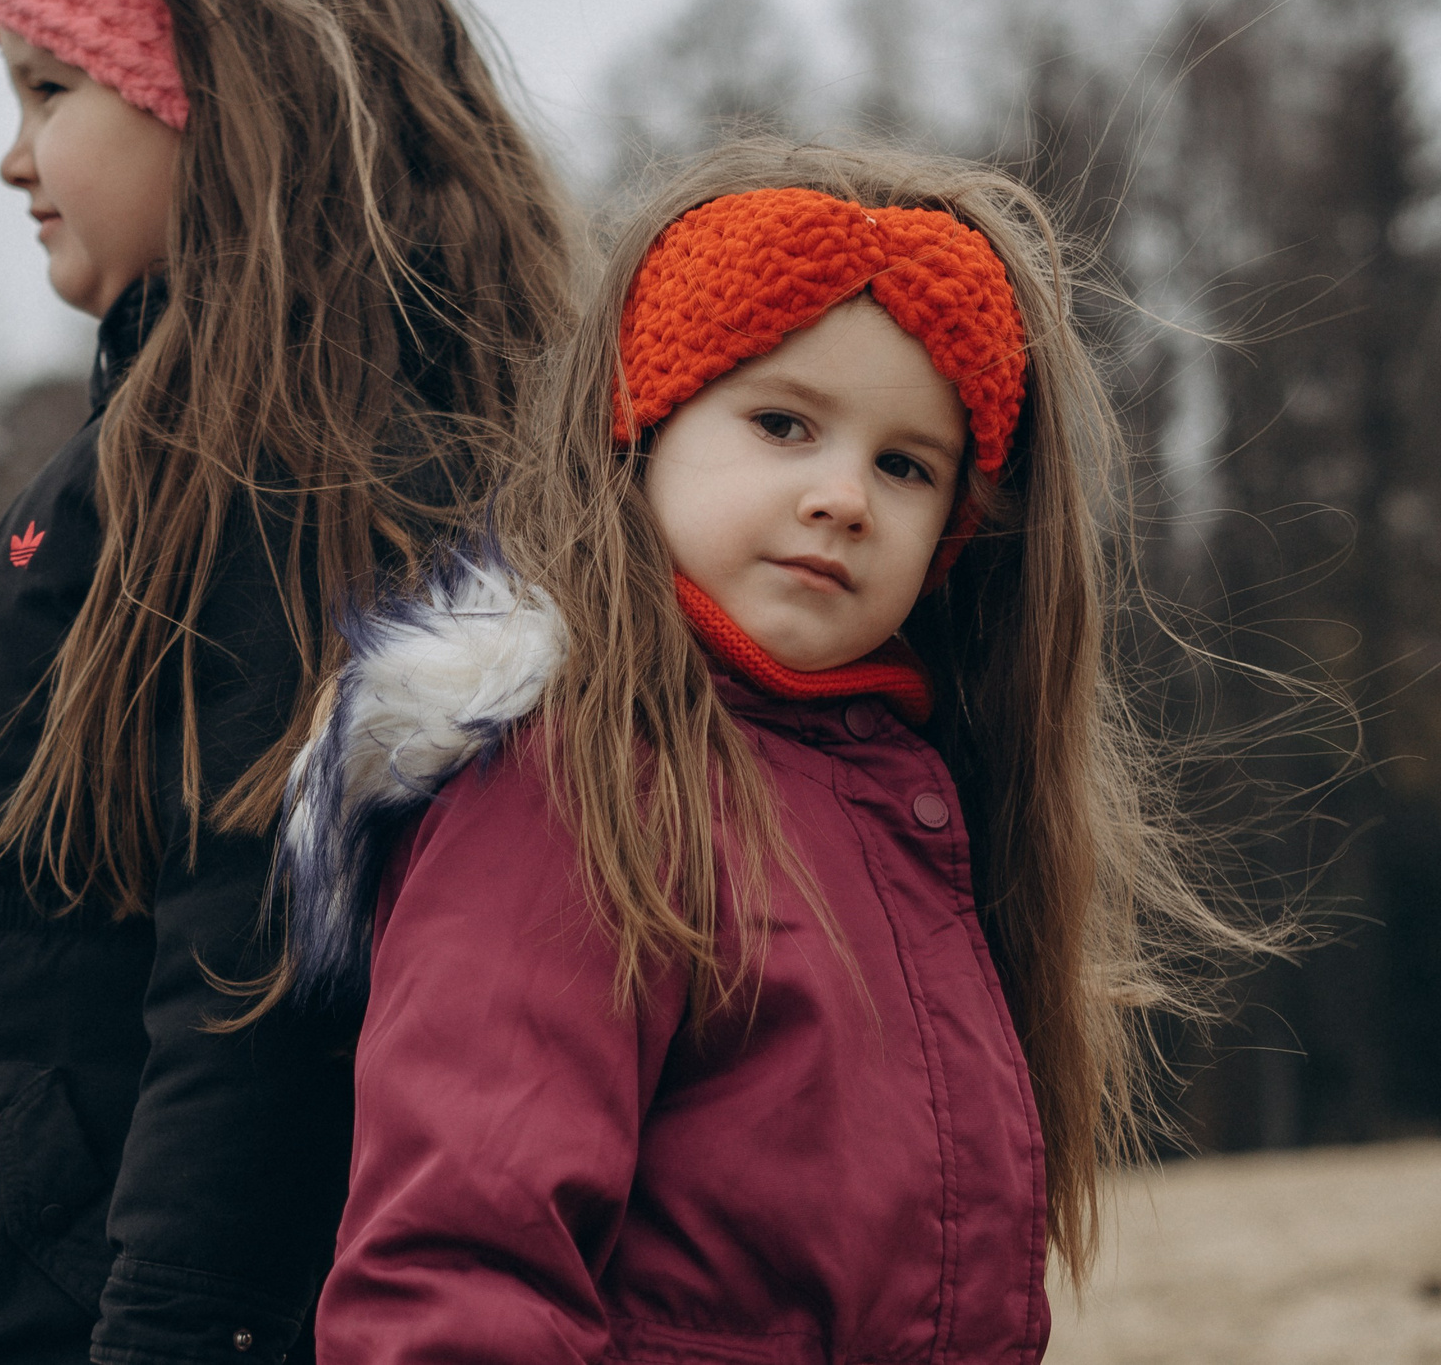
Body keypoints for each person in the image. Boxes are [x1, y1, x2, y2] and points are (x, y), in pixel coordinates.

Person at [279, 142, 1271, 1362]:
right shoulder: (564, 786)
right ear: (639, 421)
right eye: (783, 423)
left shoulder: (910, 812)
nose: (844, 494)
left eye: (905, 464)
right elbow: (463, 1268)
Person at [0, 0, 577, 1365]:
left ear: (223, 98)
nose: (13, 154)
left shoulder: (309, 472)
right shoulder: (158, 452)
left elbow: (255, 997)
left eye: (53, 89)